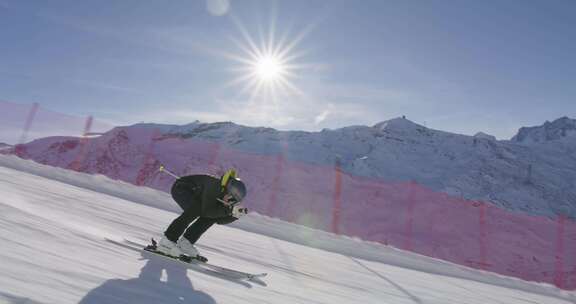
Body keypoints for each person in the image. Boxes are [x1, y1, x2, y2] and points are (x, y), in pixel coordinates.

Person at [157, 169, 248, 257]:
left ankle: (185, 243)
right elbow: (207, 211)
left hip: (197, 197)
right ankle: (167, 241)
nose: (230, 202)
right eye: (231, 199)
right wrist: (228, 210)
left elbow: (218, 220)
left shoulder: (223, 196)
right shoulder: (215, 186)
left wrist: (234, 215)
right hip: (182, 188)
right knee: (196, 209)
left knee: (210, 217)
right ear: (229, 191)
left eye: (233, 201)